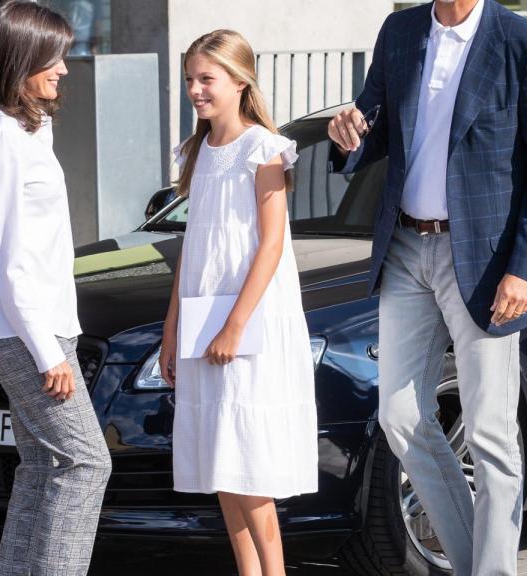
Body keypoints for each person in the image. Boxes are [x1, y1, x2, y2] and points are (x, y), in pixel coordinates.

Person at [326, 0, 527, 573]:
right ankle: (473, 565)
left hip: (486, 260)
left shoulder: (520, 42)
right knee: (400, 415)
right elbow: (375, 130)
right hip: (406, 247)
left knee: (489, 431)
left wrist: (524, 267)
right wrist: (348, 137)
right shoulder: (402, 30)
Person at [0, 3, 111, 575]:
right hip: (29, 332)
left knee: (44, 465)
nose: (64, 70)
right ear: (19, 58)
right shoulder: (2, 140)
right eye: (54, 58)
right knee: (84, 465)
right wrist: (49, 352)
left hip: (32, 326)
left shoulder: (20, 131)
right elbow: (8, 258)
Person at [158, 29, 318, 576]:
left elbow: (272, 244)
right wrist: (172, 329)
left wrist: (234, 325)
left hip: (248, 324)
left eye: (206, 78)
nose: (195, 90)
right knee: (222, 460)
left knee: (249, 463)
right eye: (189, 80)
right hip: (204, 321)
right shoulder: (197, 151)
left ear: (239, 81)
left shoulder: (263, 149)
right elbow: (193, 248)